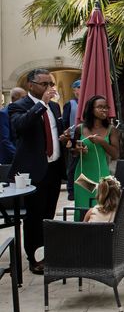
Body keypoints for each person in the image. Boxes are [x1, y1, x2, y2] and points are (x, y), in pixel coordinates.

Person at [8, 69, 66, 275]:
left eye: (50, 84)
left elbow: (54, 132)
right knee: (34, 216)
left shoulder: (54, 107)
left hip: (54, 167)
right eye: (44, 84)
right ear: (30, 85)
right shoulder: (18, 106)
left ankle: (47, 252)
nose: (49, 88)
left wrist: (65, 138)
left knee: (49, 214)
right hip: (33, 171)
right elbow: (20, 127)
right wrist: (40, 104)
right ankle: (34, 258)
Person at [72, 95, 120, 220]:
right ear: (91, 109)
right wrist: (78, 150)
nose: (104, 110)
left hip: (101, 176)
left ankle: (98, 235)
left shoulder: (111, 129)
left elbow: (115, 154)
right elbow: (73, 153)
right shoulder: (80, 129)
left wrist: (102, 142)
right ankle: (80, 236)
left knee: (99, 208)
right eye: (100, 107)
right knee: (82, 209)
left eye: (106, 107)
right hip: (82, 176)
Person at [62, 79, 81, 200]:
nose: (81, 89)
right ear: (74, 90)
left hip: (85, 138)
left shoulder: (88, 103)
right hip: (73, 138)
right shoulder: (70, 104)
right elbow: (64, 122)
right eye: (78, 87)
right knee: (73, 165)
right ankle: (71, 190)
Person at [0, 87, 27, 164]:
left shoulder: (25, 111)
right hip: (11, 158)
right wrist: (19, 155)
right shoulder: (3, 113)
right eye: (23, 97)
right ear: (13, 98)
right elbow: (5, 140)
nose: (25, 100)